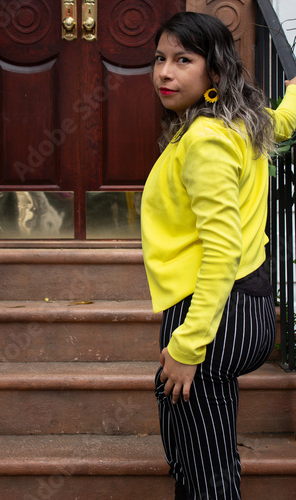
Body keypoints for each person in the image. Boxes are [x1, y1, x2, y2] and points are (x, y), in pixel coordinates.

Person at [140, 11, 296, 500]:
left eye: (183, 60)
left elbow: (222, 248)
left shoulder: (206, 139)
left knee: (206, 469)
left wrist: (188, 346)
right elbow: (286, 118)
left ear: (215, 72)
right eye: (160, 59)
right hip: (244, 311)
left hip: (211, 317)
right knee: (188, 440)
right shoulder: (242, 123)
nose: (165, 72)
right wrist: (293, 86)